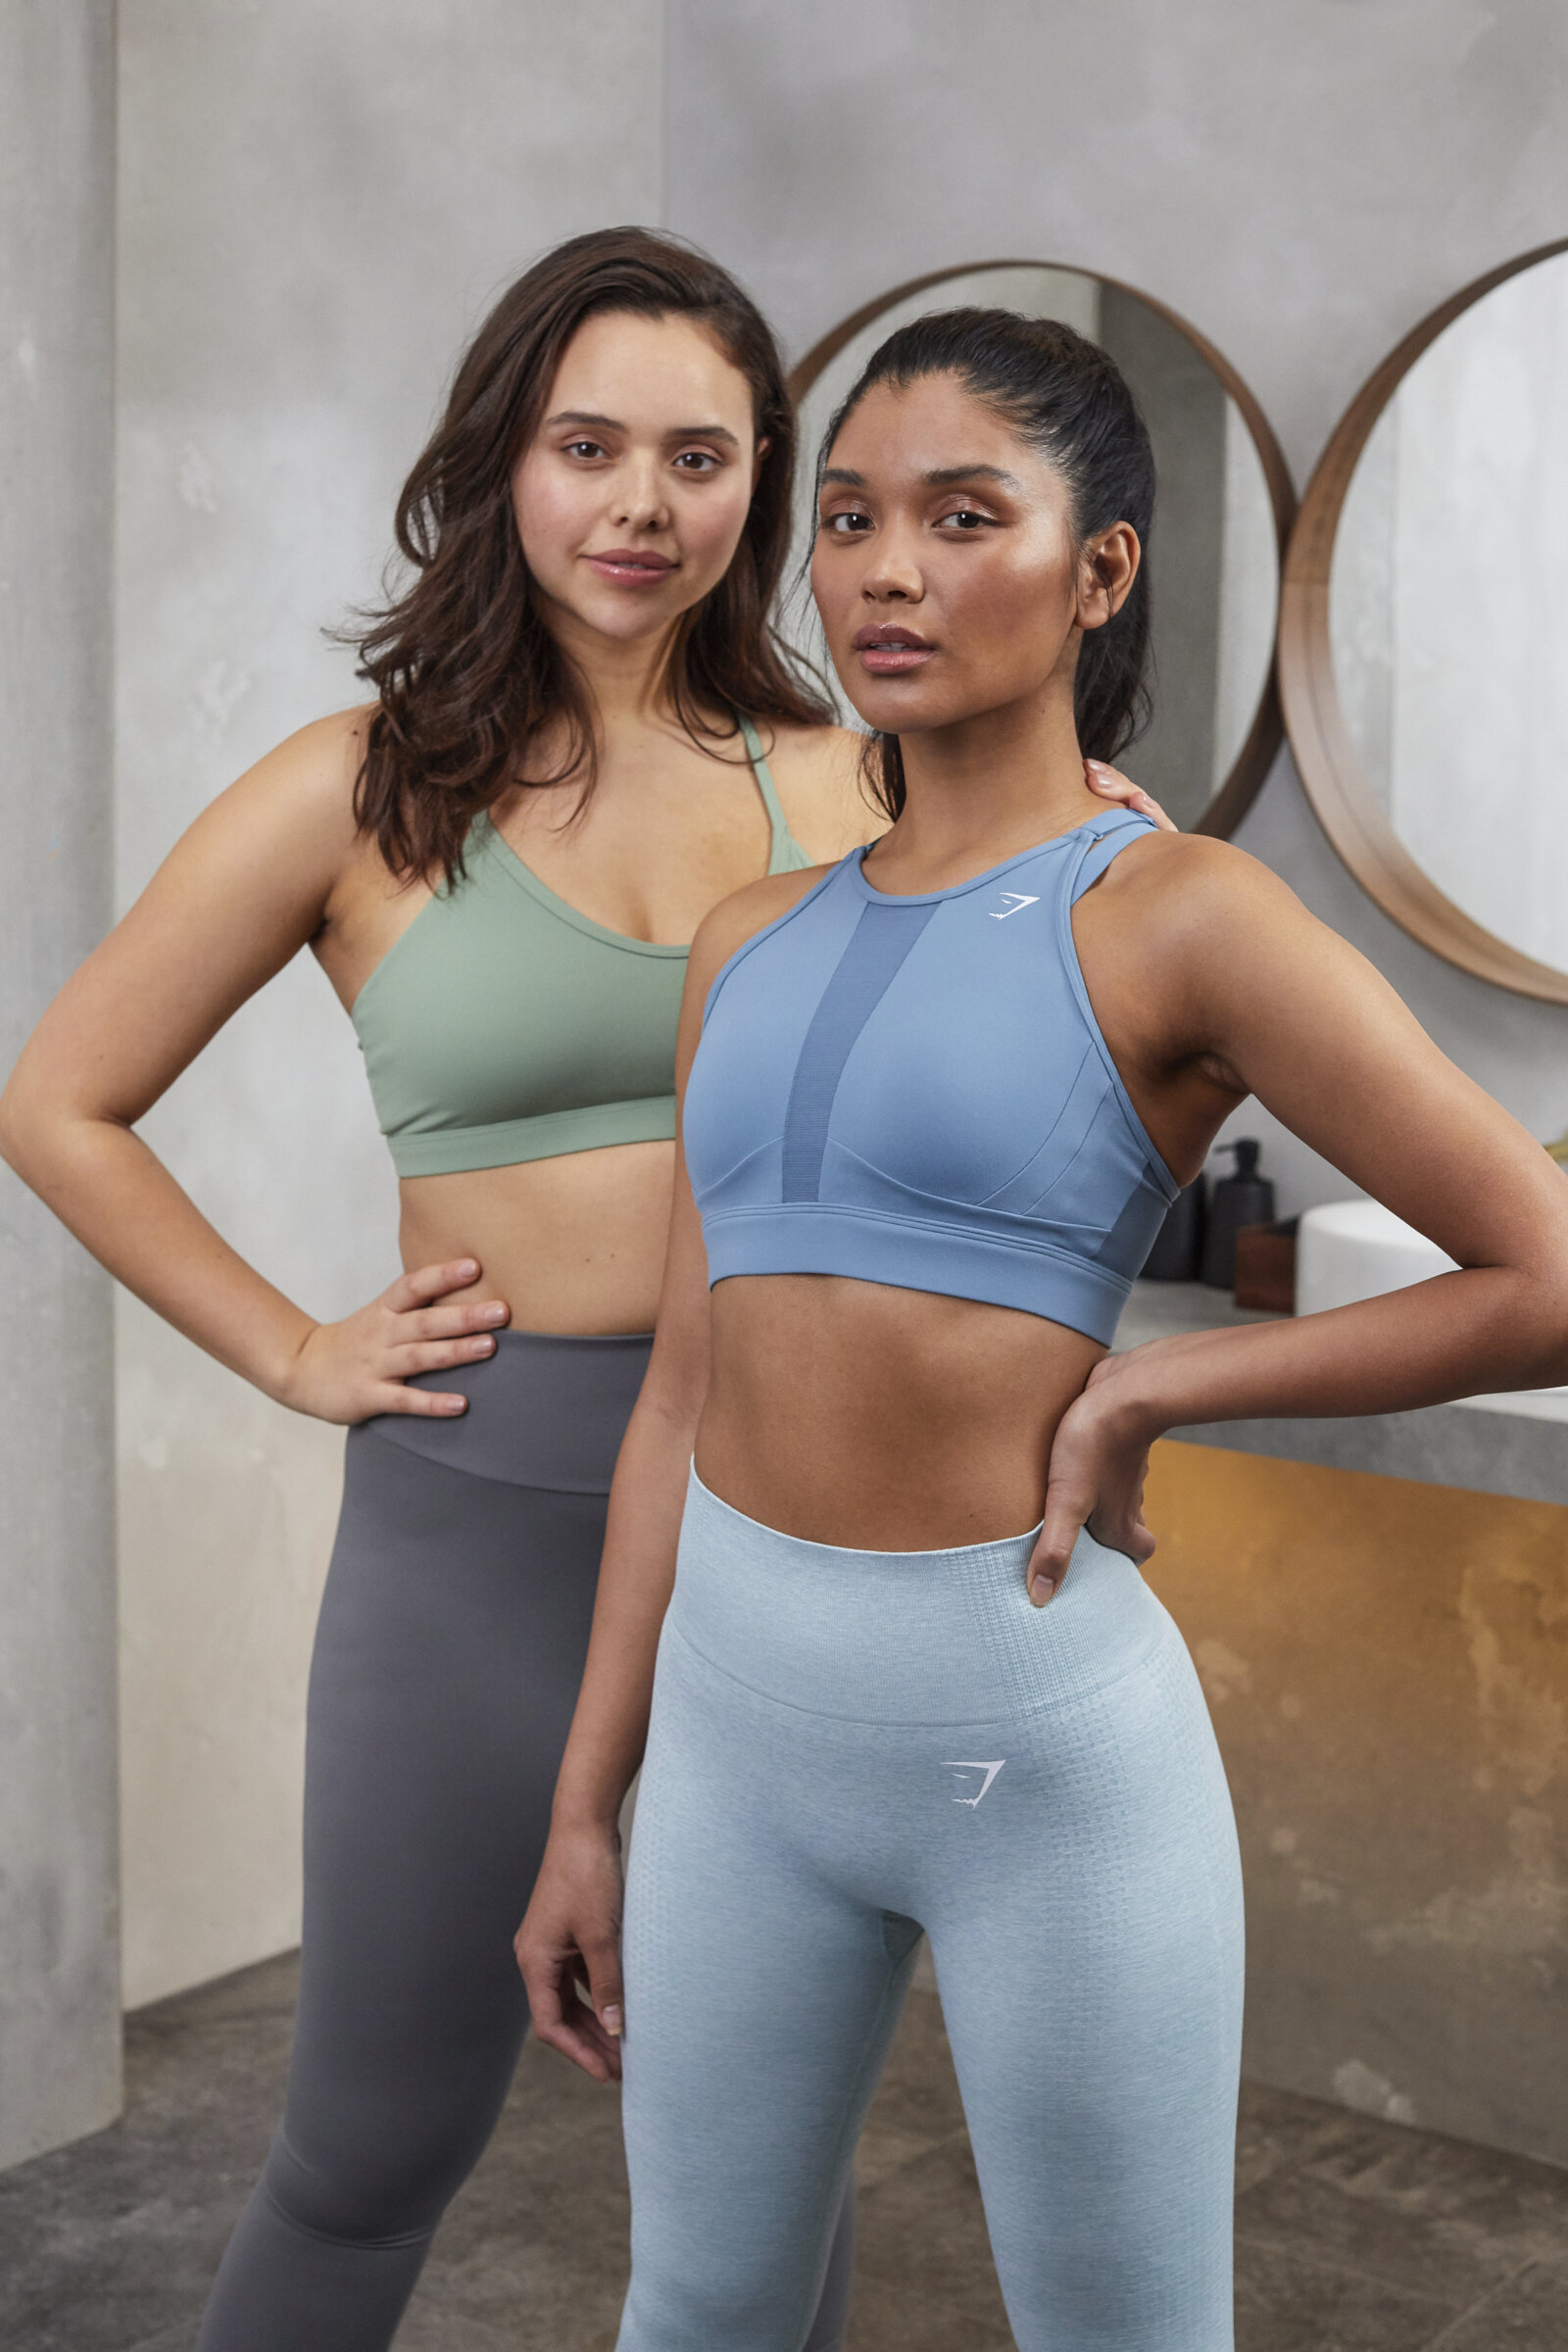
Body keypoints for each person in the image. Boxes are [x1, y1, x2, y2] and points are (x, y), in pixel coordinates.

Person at [0, 236, 1162, 2348]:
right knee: (365, 2155)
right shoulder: (356, 785)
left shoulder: (858, 774)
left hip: (777, 1532)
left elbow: (1039, 1049)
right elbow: (60, 1097)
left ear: (759, 491)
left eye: (699, 457)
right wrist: (290, 1345)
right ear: (501, 467)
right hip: (474, 1525)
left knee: (761, 2184)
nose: (641, 505)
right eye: (588, 446)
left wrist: (1108, 860)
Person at [514, 306, 1568, 2352]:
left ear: (1099, 572)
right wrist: (585, 1804)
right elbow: (675, 1399)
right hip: (732, 1744)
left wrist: (1165, 1378)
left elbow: (1539, 1268)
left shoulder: (1173, 913)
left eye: (959, 516)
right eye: (844, 521)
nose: (883, 570)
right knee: (692, 2310)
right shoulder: (750, 933)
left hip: (1035, 1754)